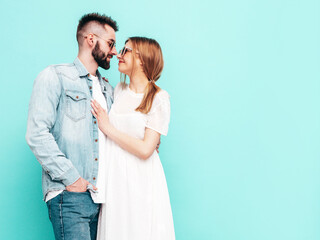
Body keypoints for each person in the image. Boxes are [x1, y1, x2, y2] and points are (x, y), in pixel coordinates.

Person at [26, 13, 118, 240]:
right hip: (71, 196)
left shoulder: (108, 89)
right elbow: (37, 134)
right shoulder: (55, 76)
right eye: (110, 43)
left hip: (105, 201)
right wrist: (72, 178)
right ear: (90, 39)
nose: (114, 51)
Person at [91, 37, 175, 240]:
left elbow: (147, 150)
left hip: (142, 181)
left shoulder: (158, 97)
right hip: (116, 180)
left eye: (126, 50)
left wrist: (108, 128)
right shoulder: (117, 91)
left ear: (142, 59)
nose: (119, 54)